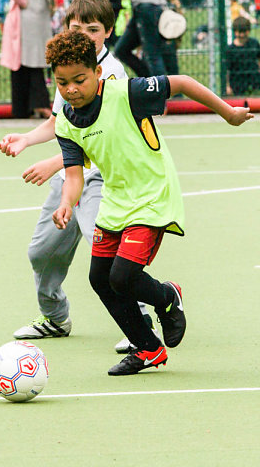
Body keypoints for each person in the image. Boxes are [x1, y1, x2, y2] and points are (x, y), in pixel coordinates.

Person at [47, 30, 252, 376]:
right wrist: (67, 203)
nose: (71, 89)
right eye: (62, 82)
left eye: (79, 80)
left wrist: (228, 113)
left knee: (123, 275)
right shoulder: (66, 120)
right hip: (116, 199)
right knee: (100, 278)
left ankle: (167, 297)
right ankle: (148, 349)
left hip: (153, 194)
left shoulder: (128, 93)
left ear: (97, 74)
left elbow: (184, 82)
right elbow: (73, 176)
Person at [0, 0, 157, 352]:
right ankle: (55, 317)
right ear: (66, 27)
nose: (84, 33)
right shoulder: (71, 66)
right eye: (76, 26)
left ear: (108, 31)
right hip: (70, 177)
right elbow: (59, 123)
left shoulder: (110, 74)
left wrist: (54, 162)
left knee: (114, 259)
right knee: (41, 252)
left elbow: (100, 140)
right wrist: (25, 139)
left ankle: (143, 318)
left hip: (102, 178)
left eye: (93, 28)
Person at [0, 0, 53, 118]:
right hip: (29, 13)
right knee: (31, 59)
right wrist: (21, 1)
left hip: (39, 13)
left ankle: (25, 107)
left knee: (35, 59)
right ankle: (37, 104)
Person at [114, 0, 168, 77]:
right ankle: (148, 81)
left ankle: (160, 87)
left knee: (152, 54)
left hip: (147, 5)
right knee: (121, 50)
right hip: (141, 5)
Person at [226, 16, 260, 96]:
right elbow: (227, 70)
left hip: (254, 80)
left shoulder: (254, 43)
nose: (242, 34)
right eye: (239, 32)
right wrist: (227, 86)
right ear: (235, 32)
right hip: (237, 82)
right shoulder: (230, 49)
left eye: (245, 31)